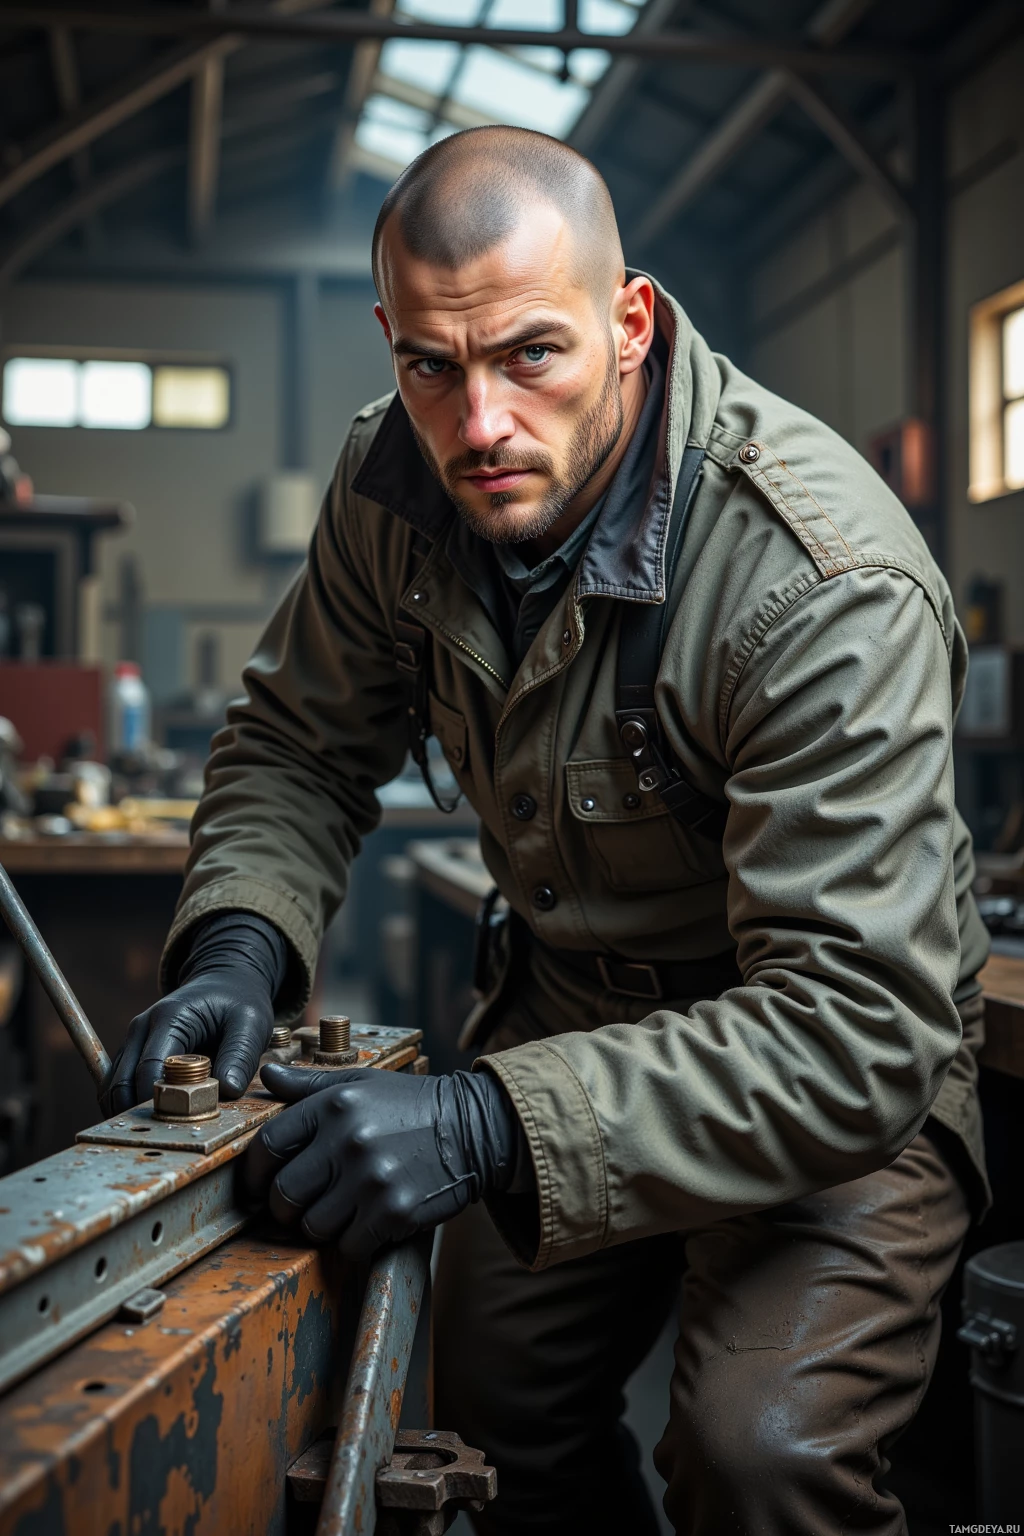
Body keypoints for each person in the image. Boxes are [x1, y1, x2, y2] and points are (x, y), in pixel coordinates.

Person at [104, 126, 990, 1536]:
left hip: (834, 1077)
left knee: (756, 1454)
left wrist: (484, 1120)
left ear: (629, 324)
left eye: (532, 355)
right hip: (571, 1017)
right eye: (432, 367)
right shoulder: (397, 486)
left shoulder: (824, 578)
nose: (478, 426)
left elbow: (855, 1029)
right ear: (390, 339)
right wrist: (235, 944)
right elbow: (298, 738)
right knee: (490, 1430)